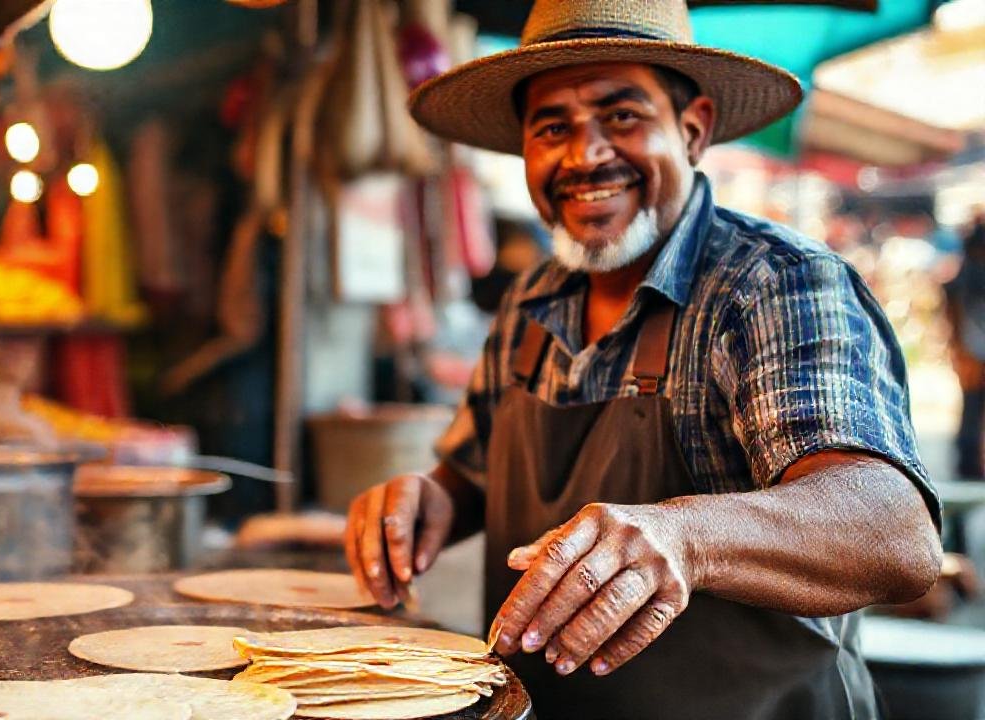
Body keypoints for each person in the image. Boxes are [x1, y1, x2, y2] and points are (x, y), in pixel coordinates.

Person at [343, 1, 943, 718]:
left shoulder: (772, 283)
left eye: (621, 116)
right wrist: (426, 499)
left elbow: (895, 534)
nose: (585, 155)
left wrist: (685, 537)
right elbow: (469, 472)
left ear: (692, 132)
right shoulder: (532, 299)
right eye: (552, 127)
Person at [947, 212, 985, 479]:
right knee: (972, 413)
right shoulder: (971, 275)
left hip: (971, 352)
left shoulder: (966, 274)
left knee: (971, 412)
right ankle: (969, 466)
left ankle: (968, 465)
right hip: (973, 353)